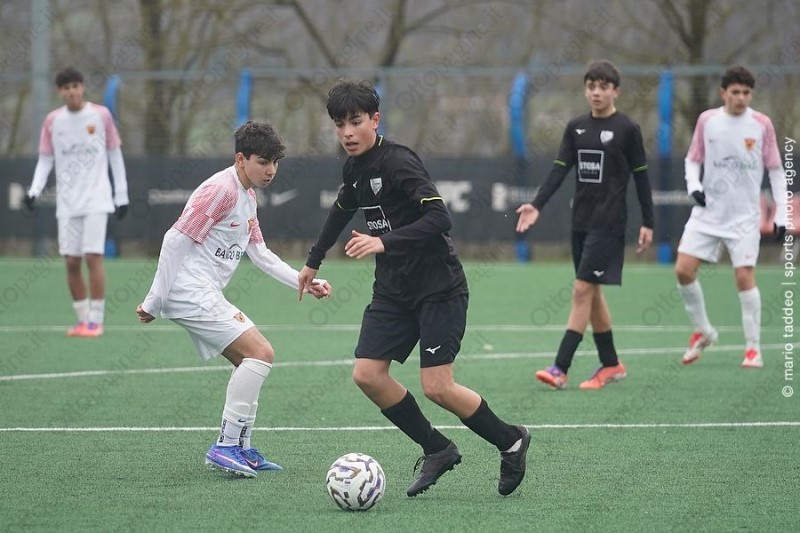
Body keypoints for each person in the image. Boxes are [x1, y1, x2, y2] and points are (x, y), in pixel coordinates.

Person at [297, 79, 531, 497]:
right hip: (393, 290)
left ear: (375, 119)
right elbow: (341, 210)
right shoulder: (353, 167)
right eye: (339, 124)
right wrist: (313, 261)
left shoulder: (399, 162)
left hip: (438, 287)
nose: (347, 132)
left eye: (355, 122)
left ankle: (511, 440)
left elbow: (440, 219)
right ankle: (437, 448)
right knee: (368, 375)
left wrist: (383, 242)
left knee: (437, 387)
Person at [136, 121, 332, 477]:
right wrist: (155, 300)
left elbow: (260, 254)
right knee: (261, 353)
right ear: (241, 159)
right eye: (263, 162)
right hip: (187, 289)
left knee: (249, 359)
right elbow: (174, 240)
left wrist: (304, 281)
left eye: (275, 162)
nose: (271, 170)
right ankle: (225, 446)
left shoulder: (247, 195)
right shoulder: (221, 190)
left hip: (200, 290)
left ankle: (241, 447)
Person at [515, 60, 654, 390]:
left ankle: (560, 367)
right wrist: (537, 204)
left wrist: (648, 222)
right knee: (592, 293)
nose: (596, 92)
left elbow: (641, 177)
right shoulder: (576, 127)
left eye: (603, 87)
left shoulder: (627, 129)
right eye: (591, 86)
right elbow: (559, 169)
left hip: (610, 223)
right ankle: (611, 364)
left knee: (581, 290)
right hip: (581, 222)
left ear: (615, 91)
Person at [675, 65, 786, 369]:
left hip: (744, 218)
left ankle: (753, 349)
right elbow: (692, 159)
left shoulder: (761, 124)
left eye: (746, 93)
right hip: (708, 213)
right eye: (735, 92)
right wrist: (694, 186)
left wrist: (782, 214)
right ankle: (704, 331)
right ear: (723, 92)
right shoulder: (707, 121)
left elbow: (776, 170)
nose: (741, 98)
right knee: (683, 270)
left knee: (744, 277)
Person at [23, 66, 129, 337]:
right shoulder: (53, 121)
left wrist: (121, 195)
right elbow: (45, 159)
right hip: (68, 203)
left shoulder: (101, 115)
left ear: (82, 87)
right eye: (66, 88)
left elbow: (114, 154)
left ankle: (96, 321)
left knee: (93, 257)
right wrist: (34, 190)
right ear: (60, 92)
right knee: (71, 261)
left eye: (75, 86)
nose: (71, 92)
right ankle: (82, 320)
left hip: (97, 198)